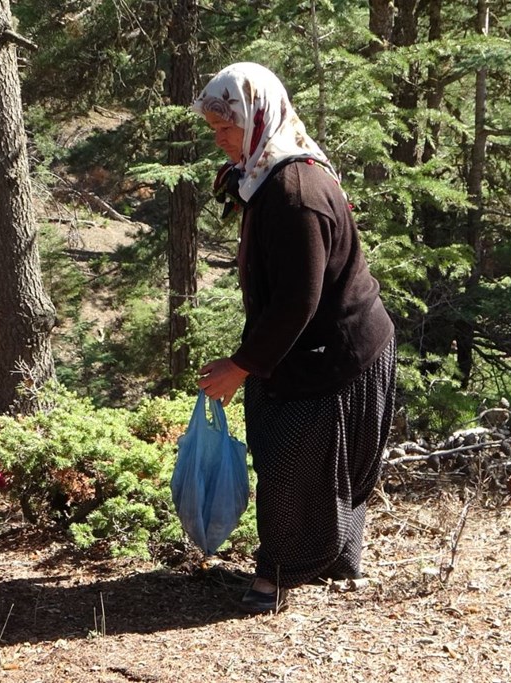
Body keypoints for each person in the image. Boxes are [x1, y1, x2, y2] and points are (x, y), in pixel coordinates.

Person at [193, 63, 397, 614]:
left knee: (292, 457)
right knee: (300, 450)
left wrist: (242, 366)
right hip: (312, 343)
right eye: (214, 129)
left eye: (225, 128)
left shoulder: (295, 191)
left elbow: (298, 301)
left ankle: (278, 573)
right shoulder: (267, 172)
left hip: (337, 348)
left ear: (257, 119)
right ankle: (330, 557)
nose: (220, 139)